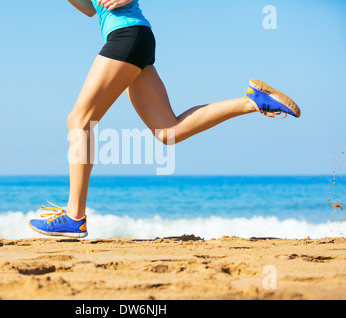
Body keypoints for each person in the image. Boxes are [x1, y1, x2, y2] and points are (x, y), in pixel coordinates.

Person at [29, 0, 301, 238]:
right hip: (135, 37)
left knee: (79, 120)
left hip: (127, 35)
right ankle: (254, 101)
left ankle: (74, 217)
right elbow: (91, 9)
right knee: (168, 131)